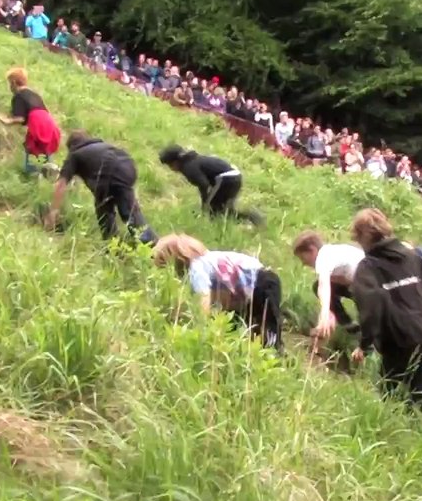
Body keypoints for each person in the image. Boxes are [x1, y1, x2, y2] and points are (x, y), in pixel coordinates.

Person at [347, 209, 422, 434]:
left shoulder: (369, 266)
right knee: (417, 388)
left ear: (363, 236)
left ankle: (394, 433)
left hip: (399, 337)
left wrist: (365, 344)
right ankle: (418, 431)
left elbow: (370, 308)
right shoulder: (410, 255)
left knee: (394, 387)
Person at [152, 235, 282, 352]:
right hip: (257, 284)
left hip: (262, 284)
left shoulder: (196, 269)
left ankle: (277, 354)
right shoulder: (208, 260)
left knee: (269, 331)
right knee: (246, 328)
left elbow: (204, 299)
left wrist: (202, 328)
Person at [44, 131, 157, 244]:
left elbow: (61, 185)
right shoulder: (101, 147)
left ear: (71, 147)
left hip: (108, 170)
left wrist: (53, 212)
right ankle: (153, 245)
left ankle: (113, 246)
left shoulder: (75, 154)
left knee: (104, 212)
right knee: (129, 213)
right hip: (128, 166)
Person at [157, 145, 263, 226]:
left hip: (226, 179)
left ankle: (251, 219)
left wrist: (205, 204)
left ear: (175, 162)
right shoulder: (192, 161)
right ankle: (252, 218)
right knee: (221, 211)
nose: (171, 169)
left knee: (214, 210)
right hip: (234, 177)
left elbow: (204, 185)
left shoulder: (188, 167)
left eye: (169, 165)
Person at [293, 231, 365, 342]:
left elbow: (323, 285)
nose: (304, 263)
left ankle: (368, 340)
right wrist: (330, 311)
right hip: (362, 281)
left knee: (319, 286)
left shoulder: (323, 257)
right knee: (318, 286)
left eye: (303, 258)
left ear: (312, 250)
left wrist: (324, 313)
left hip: (371, 286)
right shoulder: (332, 252)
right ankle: (349, 325)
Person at [0, 68, 61, 172]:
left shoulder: (18, 95)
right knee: (44, 150)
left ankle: (36, 172)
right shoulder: (34, 94)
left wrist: (7, 121)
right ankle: (51, 171)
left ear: (13, 82)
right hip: (49, 122)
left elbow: (21, 118)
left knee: (33, 152)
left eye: (9, 83)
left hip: (38, 124)